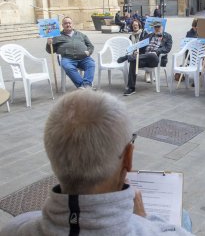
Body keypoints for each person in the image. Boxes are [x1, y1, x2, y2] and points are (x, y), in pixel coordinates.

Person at [0, 90, 194, 235]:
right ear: (128, 157)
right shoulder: (150, 230)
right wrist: (144, 217)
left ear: (51, 154)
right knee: (183, 216)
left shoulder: (15, 228)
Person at [121, 21, 172, 96]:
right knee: (133, 61)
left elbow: (167, 48)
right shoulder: (149, 36)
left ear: (162, 27)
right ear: (153, 28)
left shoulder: (167, 36)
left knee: (152, 55)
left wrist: (157, 51)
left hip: (156, 59)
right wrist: (136, 51)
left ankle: (128, 57)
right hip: (145, 58)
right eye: (155, 27)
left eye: (159, 27)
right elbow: (140, 46)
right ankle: (131, 88)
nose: (157, 29)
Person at [46, 16, 95, 89]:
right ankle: (85, 86)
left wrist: (88, 52)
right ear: (62, 25)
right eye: (65, 23)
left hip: (83, 57)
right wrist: (48, 43)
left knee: (91, 64)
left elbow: (90, 46)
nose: (68, 25)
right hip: (67, 59)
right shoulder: (56, 36)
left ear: (72, 24)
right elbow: (50, 51)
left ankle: (86, 85)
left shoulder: (81, 35)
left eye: (69, 23)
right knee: (68, 67)